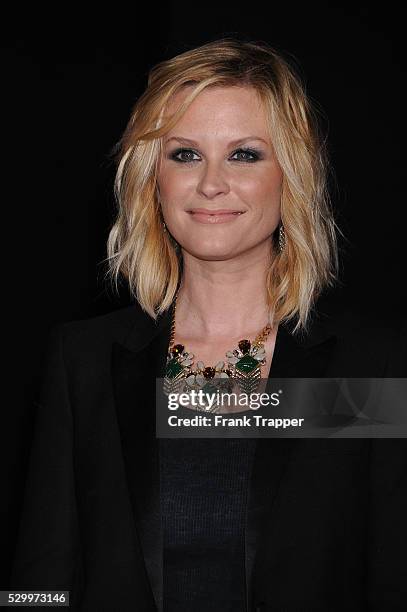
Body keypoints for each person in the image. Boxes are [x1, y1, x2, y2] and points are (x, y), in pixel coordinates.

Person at [11, 38, 406, 611]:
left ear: (290, 175)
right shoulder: (84, 359)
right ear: (153, 178)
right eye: (185, 154)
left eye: (244, 154)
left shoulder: (372, 365)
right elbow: (37, 584)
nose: (211, 183)